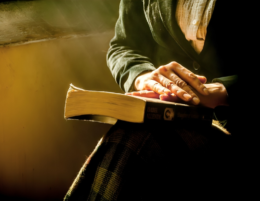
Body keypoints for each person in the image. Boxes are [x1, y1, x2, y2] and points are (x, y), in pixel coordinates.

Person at [64, 1, 254, 200]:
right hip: (174, 118)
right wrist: (143, 76)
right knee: (129, 135)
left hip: (233, 124)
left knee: (137, 140)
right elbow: (124, 45)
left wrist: (223, 90)